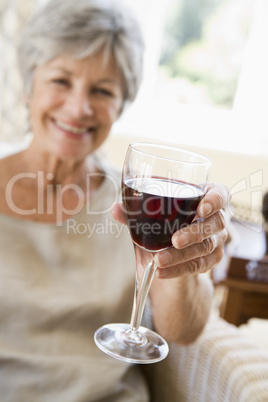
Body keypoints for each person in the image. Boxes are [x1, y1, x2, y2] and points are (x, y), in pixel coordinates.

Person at [0, 0, 228, 400]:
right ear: (28, 85)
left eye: (102, 90)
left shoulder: (138, 203)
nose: (79, 108)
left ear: (121, 104)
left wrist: (187, 253)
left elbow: (184, 330)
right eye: (60, 81)